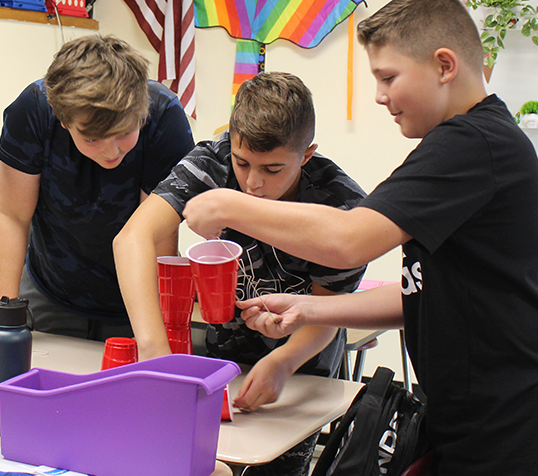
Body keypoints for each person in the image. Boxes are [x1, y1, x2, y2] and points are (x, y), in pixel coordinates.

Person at [183, 0, 538, 475]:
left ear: (445, 66)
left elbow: (348, 239)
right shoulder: (471, 142)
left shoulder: (473, 143)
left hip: (509, 422)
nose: (380, 97)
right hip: (468, 416)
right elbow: (420, 293)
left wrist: (229, 204)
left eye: (388, 77)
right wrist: (309, 307)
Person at [114, 72, 367, 476]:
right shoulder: (211, 163)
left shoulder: (343, 207)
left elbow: (330, 314)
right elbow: (131, 240)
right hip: (222, 364)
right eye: (243, 162)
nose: (253, 182)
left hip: (302, 371)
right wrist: (154, 349)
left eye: (272, 169)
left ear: (306, 155)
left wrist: (284, 361)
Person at [0, 35, 194, 341]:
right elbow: (10, 215)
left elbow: (156, 239)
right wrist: (2, 323)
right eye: (92, 139)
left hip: (137, 297)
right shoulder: (34, 109)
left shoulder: (164, 117)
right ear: (64, 120)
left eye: (123, 133)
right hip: (51, 287)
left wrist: (154, 337)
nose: (111, 152)